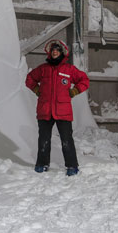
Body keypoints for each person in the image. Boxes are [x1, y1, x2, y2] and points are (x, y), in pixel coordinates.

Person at [25, 39, 89, 176]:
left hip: (63, 111)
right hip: (45, 110)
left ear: (62, 52)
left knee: (66, 140)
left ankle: (72, 166)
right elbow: (29, 79)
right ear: (50, 52)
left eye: (57, 50)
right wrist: (37, 90)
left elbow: (84, 80)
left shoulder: (69, 69)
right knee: (44, 139)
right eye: (53, 50)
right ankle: (42, 164)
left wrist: (75, 91)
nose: (54, 52)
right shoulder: (43, 69)